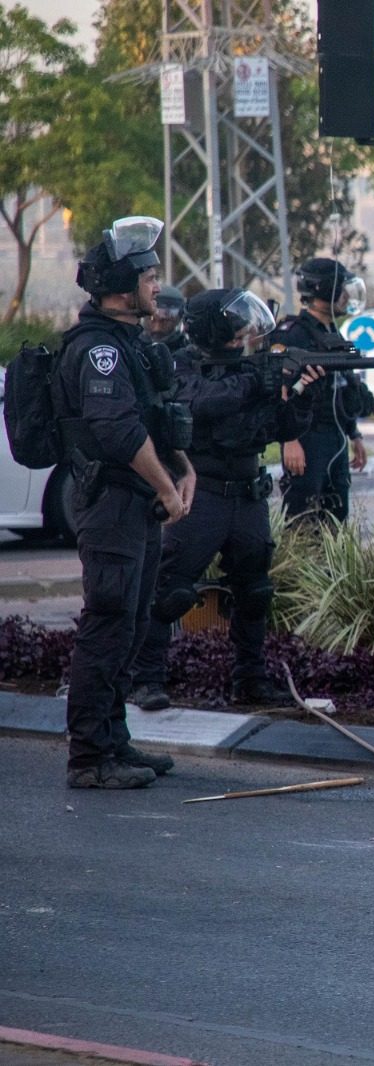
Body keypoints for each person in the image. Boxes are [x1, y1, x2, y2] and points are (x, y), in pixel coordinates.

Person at [127, 289, 323, 711]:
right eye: (235, 327)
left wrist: (301, 394)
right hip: (204, 494)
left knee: (254, 591)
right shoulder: (179, 364)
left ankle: (250, 679)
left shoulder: (251, 369)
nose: (242, 334)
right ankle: (146, 679)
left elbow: (276, 425)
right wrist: (257, 378)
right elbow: (205, 403)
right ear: (215, 329)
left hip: (247, 494)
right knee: (171, 591)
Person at [54, 216, 195, 789]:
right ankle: (89, 758)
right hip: (110, 503)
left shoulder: (128, 344)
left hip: (136, 506)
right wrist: (165, 486)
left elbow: (157, 421)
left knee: (132, 624)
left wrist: (184, 471)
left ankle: (116, 740)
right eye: (151, 277)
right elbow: (115, 431)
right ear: (121, 288)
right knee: (109, 624)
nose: (158, 287)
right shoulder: (98, 352)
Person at [271, 258, 373, 527]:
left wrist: (354, 434)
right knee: (301, 519)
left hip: (335, 439)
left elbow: (342, 389)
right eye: (340, 290)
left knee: (336, 520)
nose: (345, 297)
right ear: (324, 291)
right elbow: (279, 392)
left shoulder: (334, 334)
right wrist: (289, 440)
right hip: (307, 438)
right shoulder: (291, 334)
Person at [144, 284, 187, 349]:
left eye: (165, 321)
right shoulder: (132, 348)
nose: (157, 328)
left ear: (178, 320)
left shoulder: (186, 352)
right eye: (152, 320)